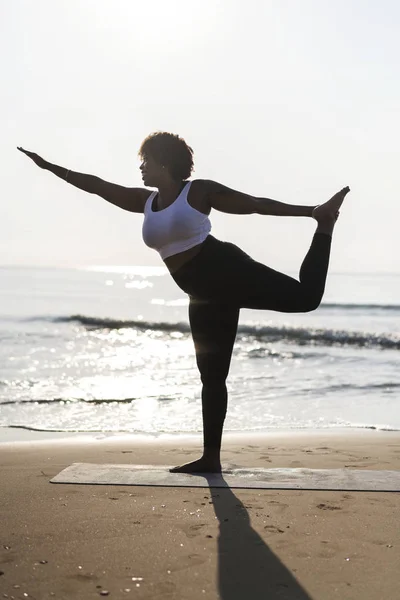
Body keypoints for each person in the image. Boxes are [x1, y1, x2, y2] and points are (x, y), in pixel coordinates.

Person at [17, 132, 350, 473]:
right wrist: (48, 167)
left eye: (145, 161)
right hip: (202, 294)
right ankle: (210, 458)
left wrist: (310, 211)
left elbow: (255, 204)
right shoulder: (146, 202)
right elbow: (97, 185)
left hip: (226, 270)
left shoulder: (198, 191)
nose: (141, 168)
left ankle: (324, 224)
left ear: (164, 162)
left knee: (306, 298)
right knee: (212, 376)